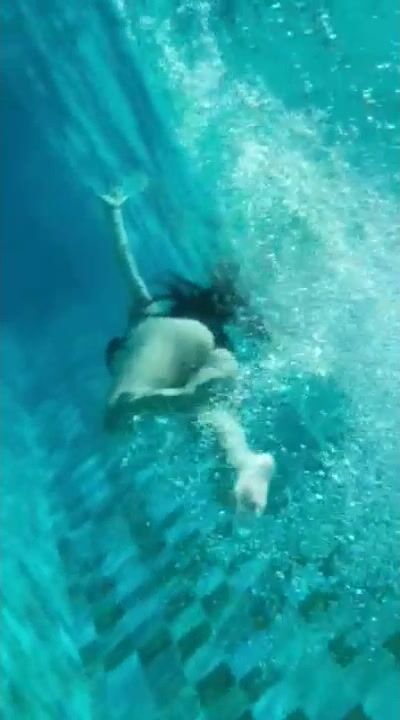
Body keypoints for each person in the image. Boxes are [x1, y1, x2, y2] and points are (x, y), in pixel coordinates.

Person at [100, 185, 275, 514]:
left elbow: (128, 266)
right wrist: (113, 214)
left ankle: (178, 400)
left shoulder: (141, 327)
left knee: (120, 410)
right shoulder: (161, 311)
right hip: (216, 352)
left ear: (118, 352)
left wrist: (114, 215)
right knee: (214, 416)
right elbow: (125, 263)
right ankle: (245, 465)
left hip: (179, 336)